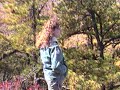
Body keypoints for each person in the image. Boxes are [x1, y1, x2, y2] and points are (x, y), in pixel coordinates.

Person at [35, 17, 68, 90]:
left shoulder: (44, 45)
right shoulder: (54, 47)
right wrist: (65, 69)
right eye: (58, 28)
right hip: (55, 79)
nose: (60, 30)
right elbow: (56, 66)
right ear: (53, 30)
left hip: (49, 78)